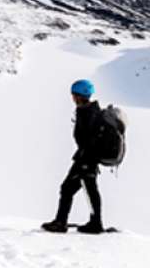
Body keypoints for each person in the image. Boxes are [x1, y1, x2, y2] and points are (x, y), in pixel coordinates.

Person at [41, 79, 104, 234]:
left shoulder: (87, 113)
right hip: (87, 158)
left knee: (78, 189)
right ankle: (90, 222)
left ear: (79, 95)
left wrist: (85, 160)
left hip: (85, 160)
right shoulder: (91, 111)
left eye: (73, 94)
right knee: (77, 189)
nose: (72, 98)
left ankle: (65, 223)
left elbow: (87, 139)